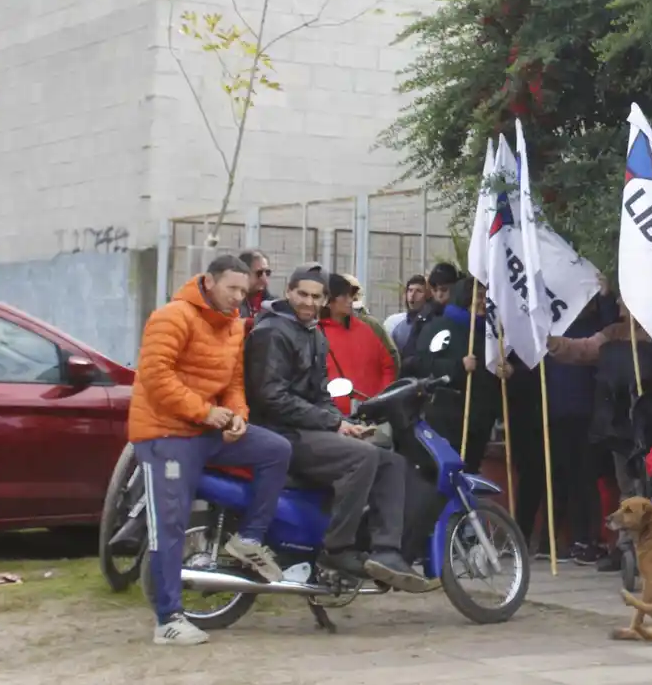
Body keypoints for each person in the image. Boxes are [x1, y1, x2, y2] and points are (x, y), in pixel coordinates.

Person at [128, 255, 292, 646]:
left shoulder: (234, 324)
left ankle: (249, 539)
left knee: (275, 449)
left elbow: (233, 383)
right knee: (170, 523)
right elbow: (156, 376)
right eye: (231, 288)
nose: (238, 297)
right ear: (210, 282)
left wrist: (238, 417)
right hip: (166, 434)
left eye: (243, 291)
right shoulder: (172, 316)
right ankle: (168, 620)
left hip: (208, 430)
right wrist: (206, 412)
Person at [244, 265, 430, 592]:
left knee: (391, 461)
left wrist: (344, 424)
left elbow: (321, 392)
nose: (309, 301)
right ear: (288, 292)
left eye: (316, 296)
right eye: (302, 294)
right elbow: (271, 397)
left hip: (306, 429)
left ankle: (386, 552)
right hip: (279, 433)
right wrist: (332, 422)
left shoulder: (313, 333)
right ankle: (337, 548)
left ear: (325, 300)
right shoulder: (272, 332)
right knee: (363, 458)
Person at [546, 289, 620, 565]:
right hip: (557, 411)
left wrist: (605, 297)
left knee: (588, 478)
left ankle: (591, 538)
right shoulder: (555, 322)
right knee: (564, 477)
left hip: (590, 412)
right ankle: (567, 539)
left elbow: (609, 336)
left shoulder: (598, 322)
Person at [402, 277, 501, 474]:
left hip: (479, 418)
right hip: (447, 416)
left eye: (486, 297)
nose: (483, 302)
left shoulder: (491, 332)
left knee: (471, 470)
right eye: (479, 296)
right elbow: (420, 364)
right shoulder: (440, 327)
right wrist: (458, 366)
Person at [319, 273, 397, 417]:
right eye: (344, 296)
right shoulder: (316, 334)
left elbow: (388, 365)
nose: (350, 300)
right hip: (333, 418)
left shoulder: (365, 329)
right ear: (329, 302)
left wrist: (382, 398)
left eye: (351, 295)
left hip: (372, 415)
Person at [385, 275, 428, 352]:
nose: (412, 295)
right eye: (410, 290)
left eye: (418, 291)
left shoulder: (434, 323)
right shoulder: (394, 322)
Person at [237, 249, 272, 319]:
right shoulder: (231, 302)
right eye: (259, 273)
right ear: (243, 273)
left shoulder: (274, 305)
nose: (264, 278)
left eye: (267, 272)